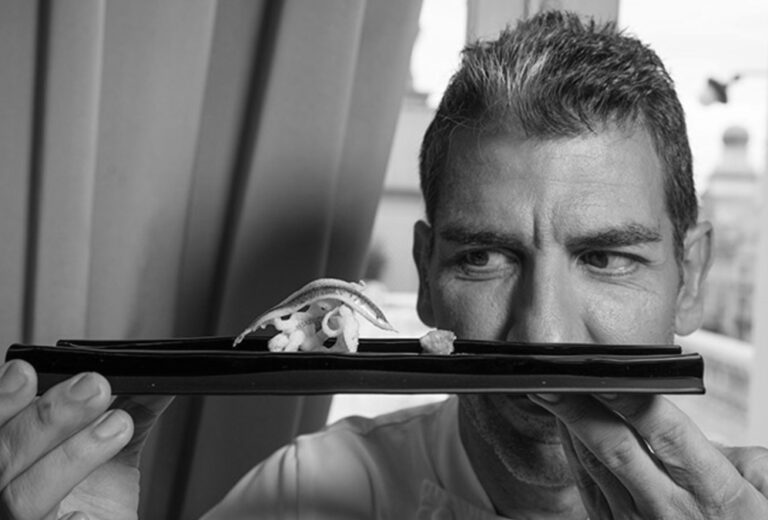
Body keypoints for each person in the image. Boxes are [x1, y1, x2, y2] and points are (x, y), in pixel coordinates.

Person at [0, 10, 766, 520]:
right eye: (484, 256)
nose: (544, 333)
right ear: (426, 274)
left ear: (691, 275)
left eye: (606, 257)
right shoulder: (301, 496)